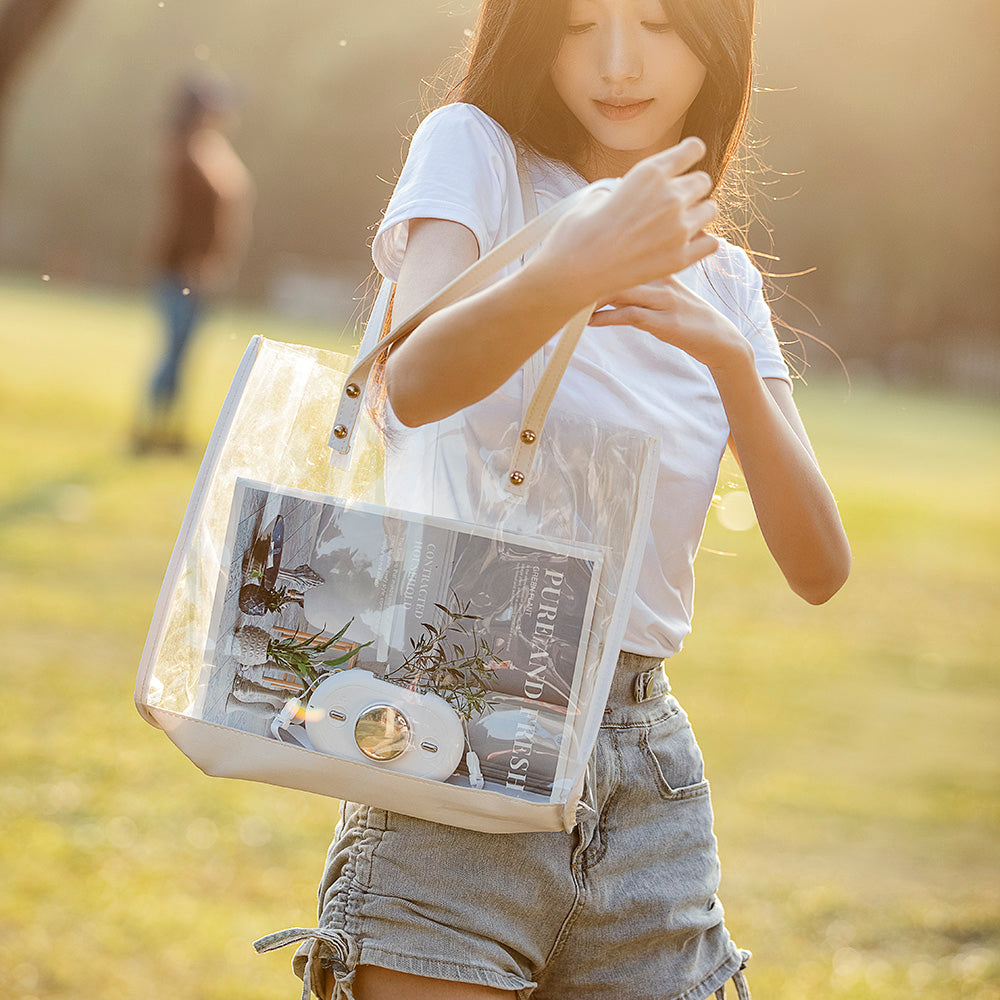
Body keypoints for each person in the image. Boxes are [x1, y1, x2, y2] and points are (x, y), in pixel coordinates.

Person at [260, 1, 851, 997]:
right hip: (452, 731)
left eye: (658, 22)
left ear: (717, 36)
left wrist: (731, 366)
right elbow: (412, 377)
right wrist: (575, 264)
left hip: (644, 769)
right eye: (578, 24)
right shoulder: (477, 153)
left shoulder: (728, 282)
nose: (618, 61)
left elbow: (819, 567)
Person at [132, 74, 254, 453]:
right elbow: (186, 218)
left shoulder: (209, 148)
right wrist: (195, 266)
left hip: (198, 269)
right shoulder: (186, 152)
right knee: (174, 350)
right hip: (183, 270)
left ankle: (166, 430)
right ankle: (150, 431)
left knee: (183, 352)